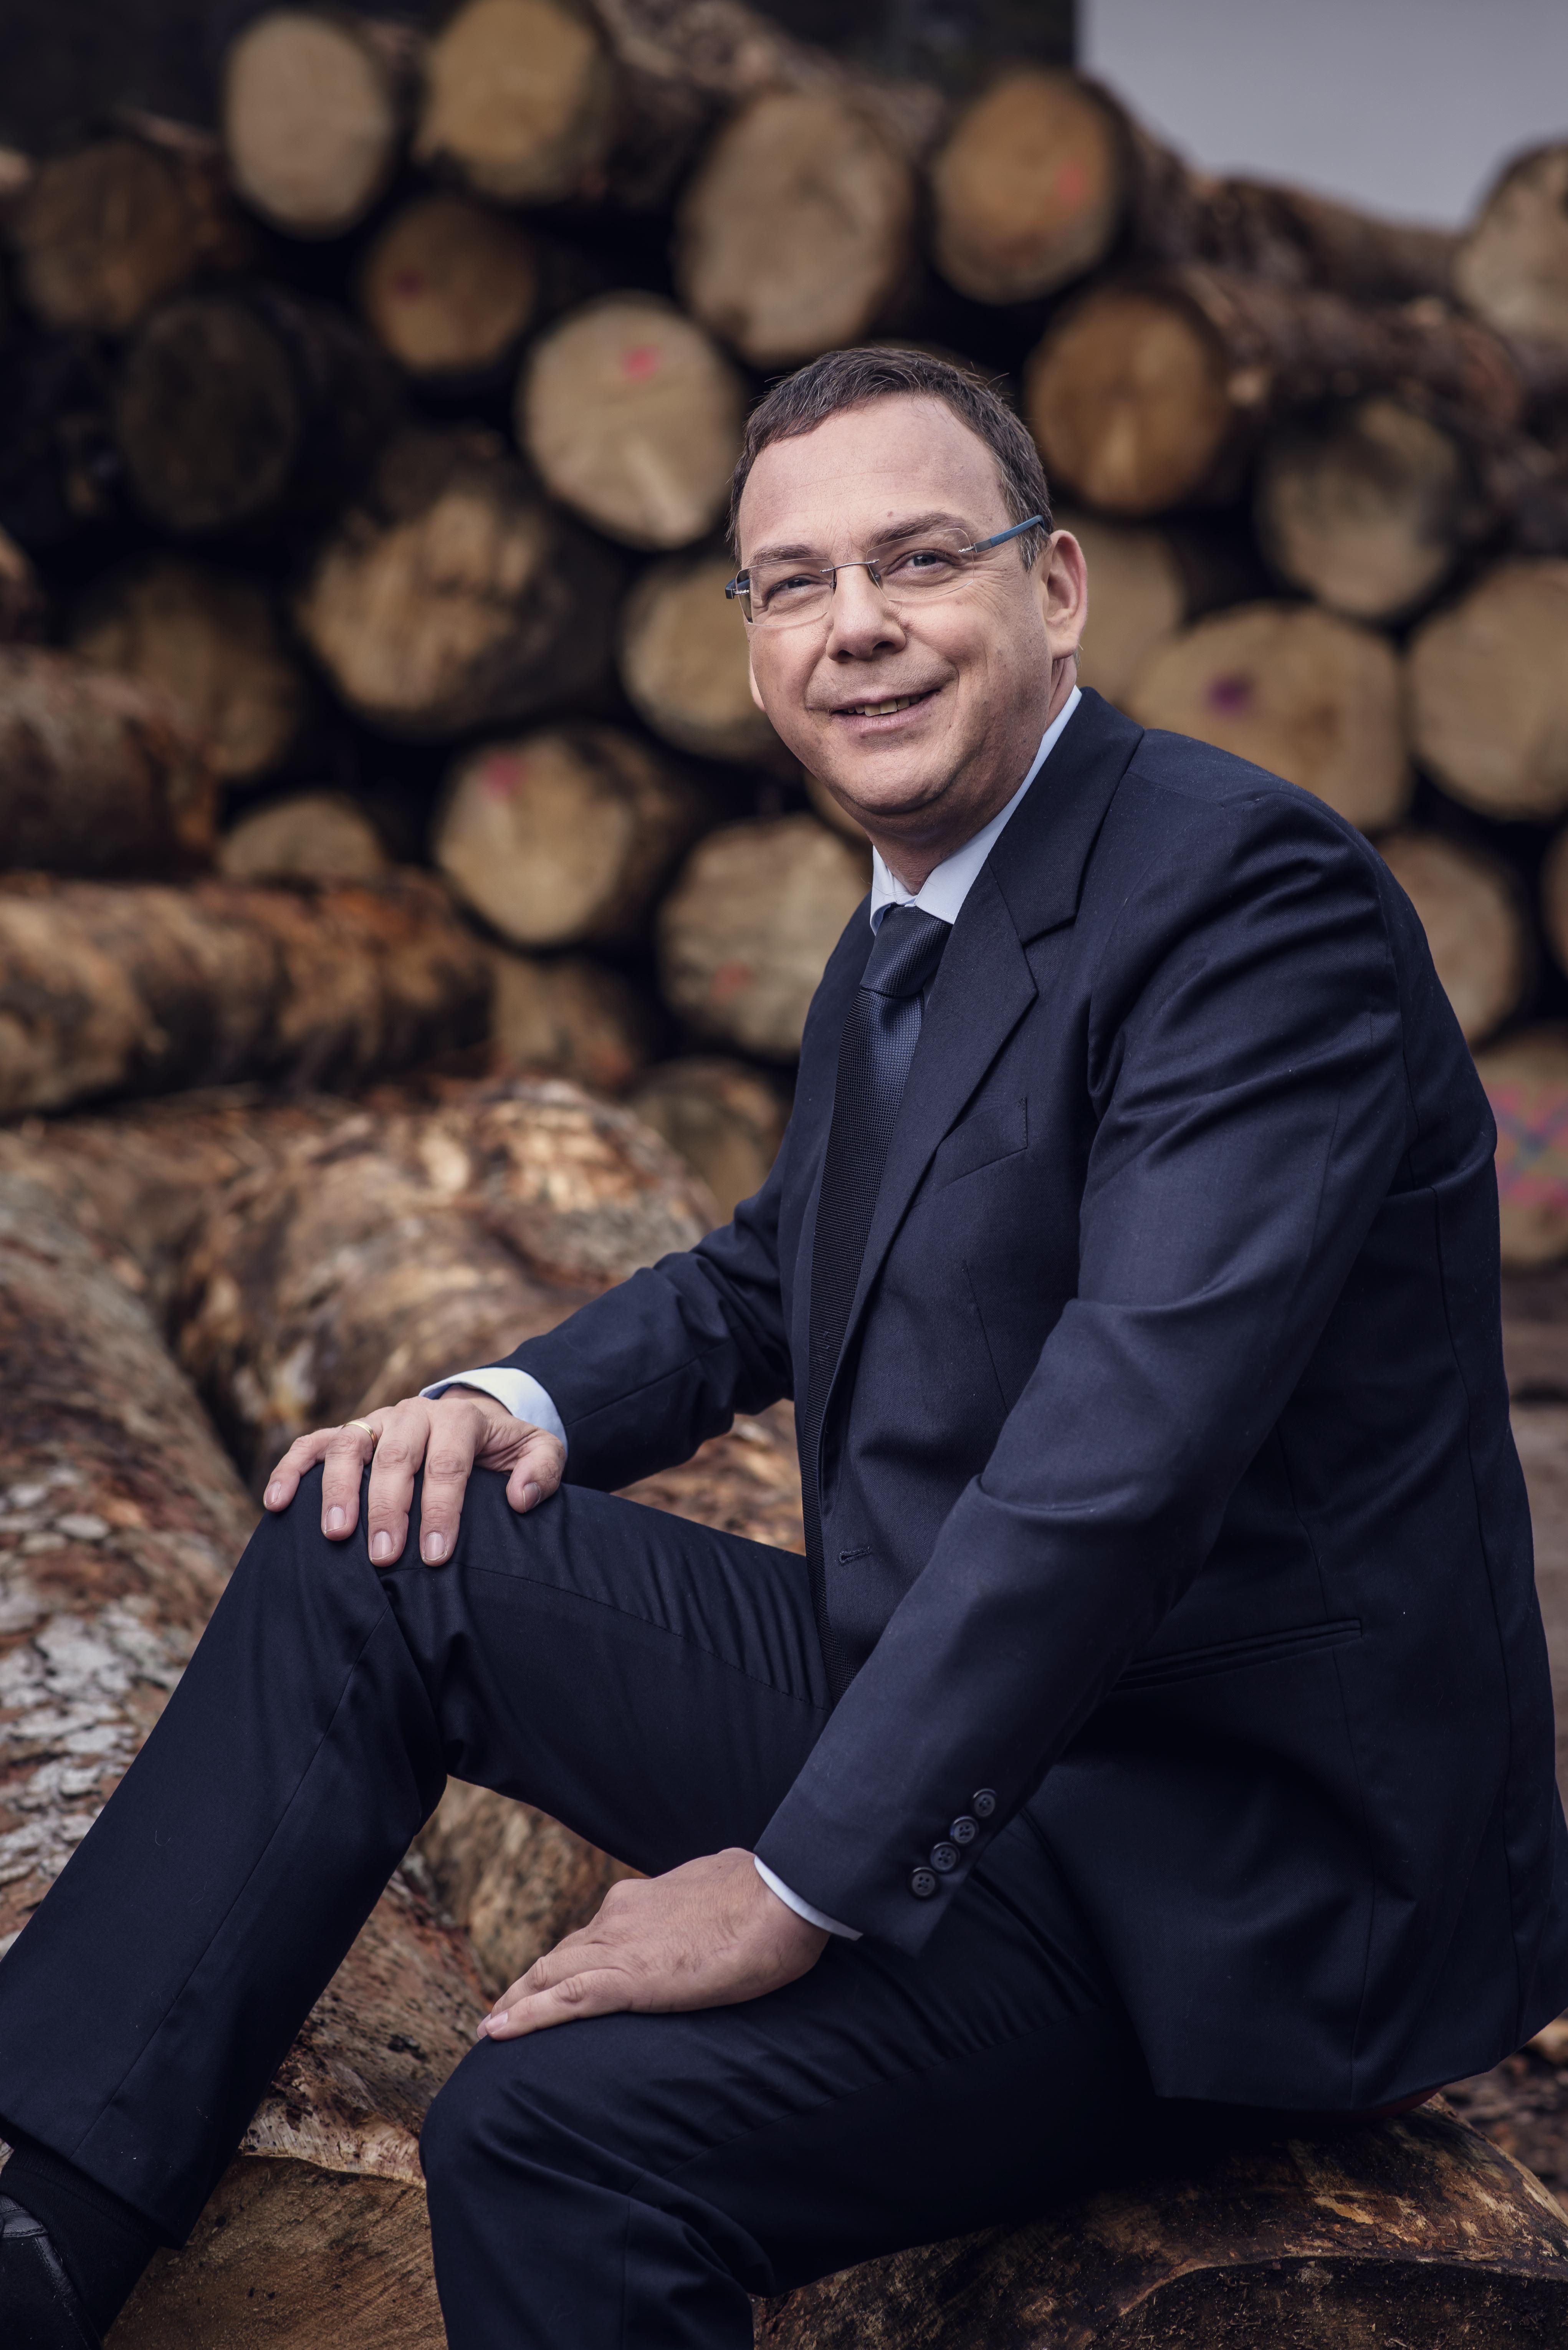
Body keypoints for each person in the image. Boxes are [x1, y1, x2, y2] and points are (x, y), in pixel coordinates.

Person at [2, 347, 1565, 2350]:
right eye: (796, 582)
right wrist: (500, 1402)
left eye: (917, 559)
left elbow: (1123, 1453)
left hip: (1221, 1870)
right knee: (377, 1545)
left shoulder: (1251, 905)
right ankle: (41, 2226)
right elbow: (767, 1272)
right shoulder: (913, 913)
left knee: (547, 2136)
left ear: (1056, 586)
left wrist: (795, 1879)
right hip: (982, 1732)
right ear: (749, 650)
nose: (856, 626)